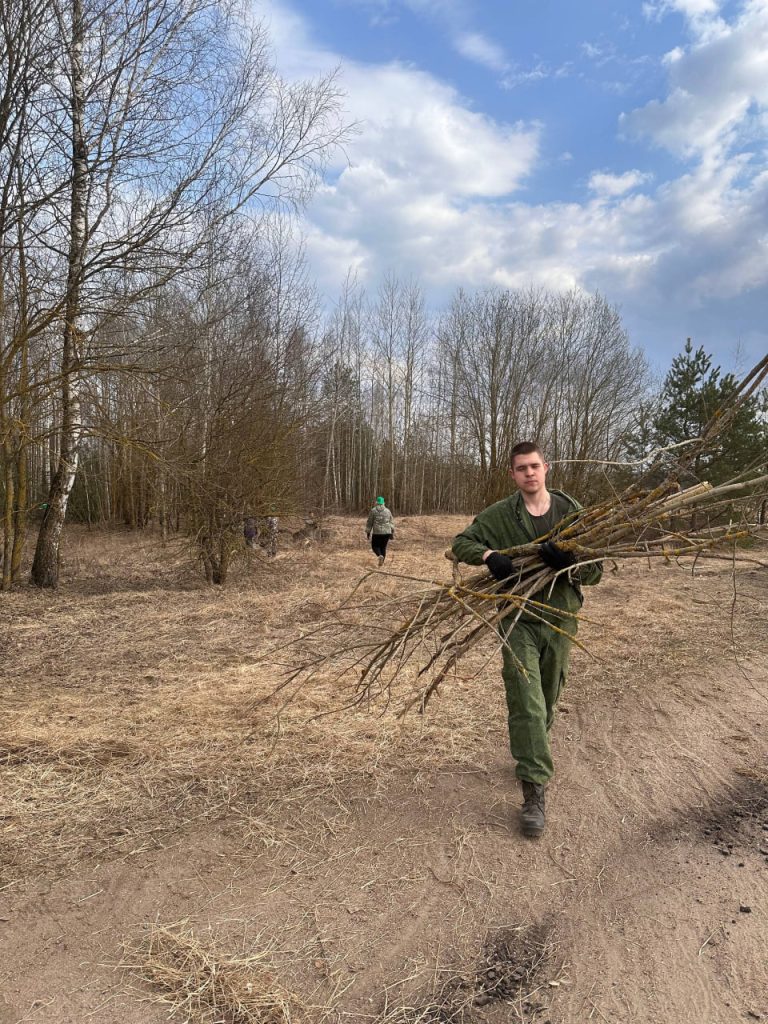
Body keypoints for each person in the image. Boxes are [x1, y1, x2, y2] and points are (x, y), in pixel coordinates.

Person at [451, 442, 602, 839]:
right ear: (513, 475)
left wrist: (573, 564)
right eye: (521, 469)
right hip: (517, 618)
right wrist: (488, 557)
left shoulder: (572, 513)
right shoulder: (500, 515)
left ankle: (531, 749)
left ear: (546, 468)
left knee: (548, 696)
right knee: (527, 698)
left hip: (560, 617)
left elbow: (597, 570)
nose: (529, 474)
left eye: (535, 466)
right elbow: (460, 543)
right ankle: (534, 790)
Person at [365, 496, 395, 566]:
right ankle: (382, 563)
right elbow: (391, 522)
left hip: (377, 533)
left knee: (375, 546)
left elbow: (369, 522)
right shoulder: (388, 511)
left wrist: (368, 532)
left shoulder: (373, 510)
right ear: (383, 503)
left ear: (377, 502)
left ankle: (379, 556)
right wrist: (392, 532)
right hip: (387, 532)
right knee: (383, 547)